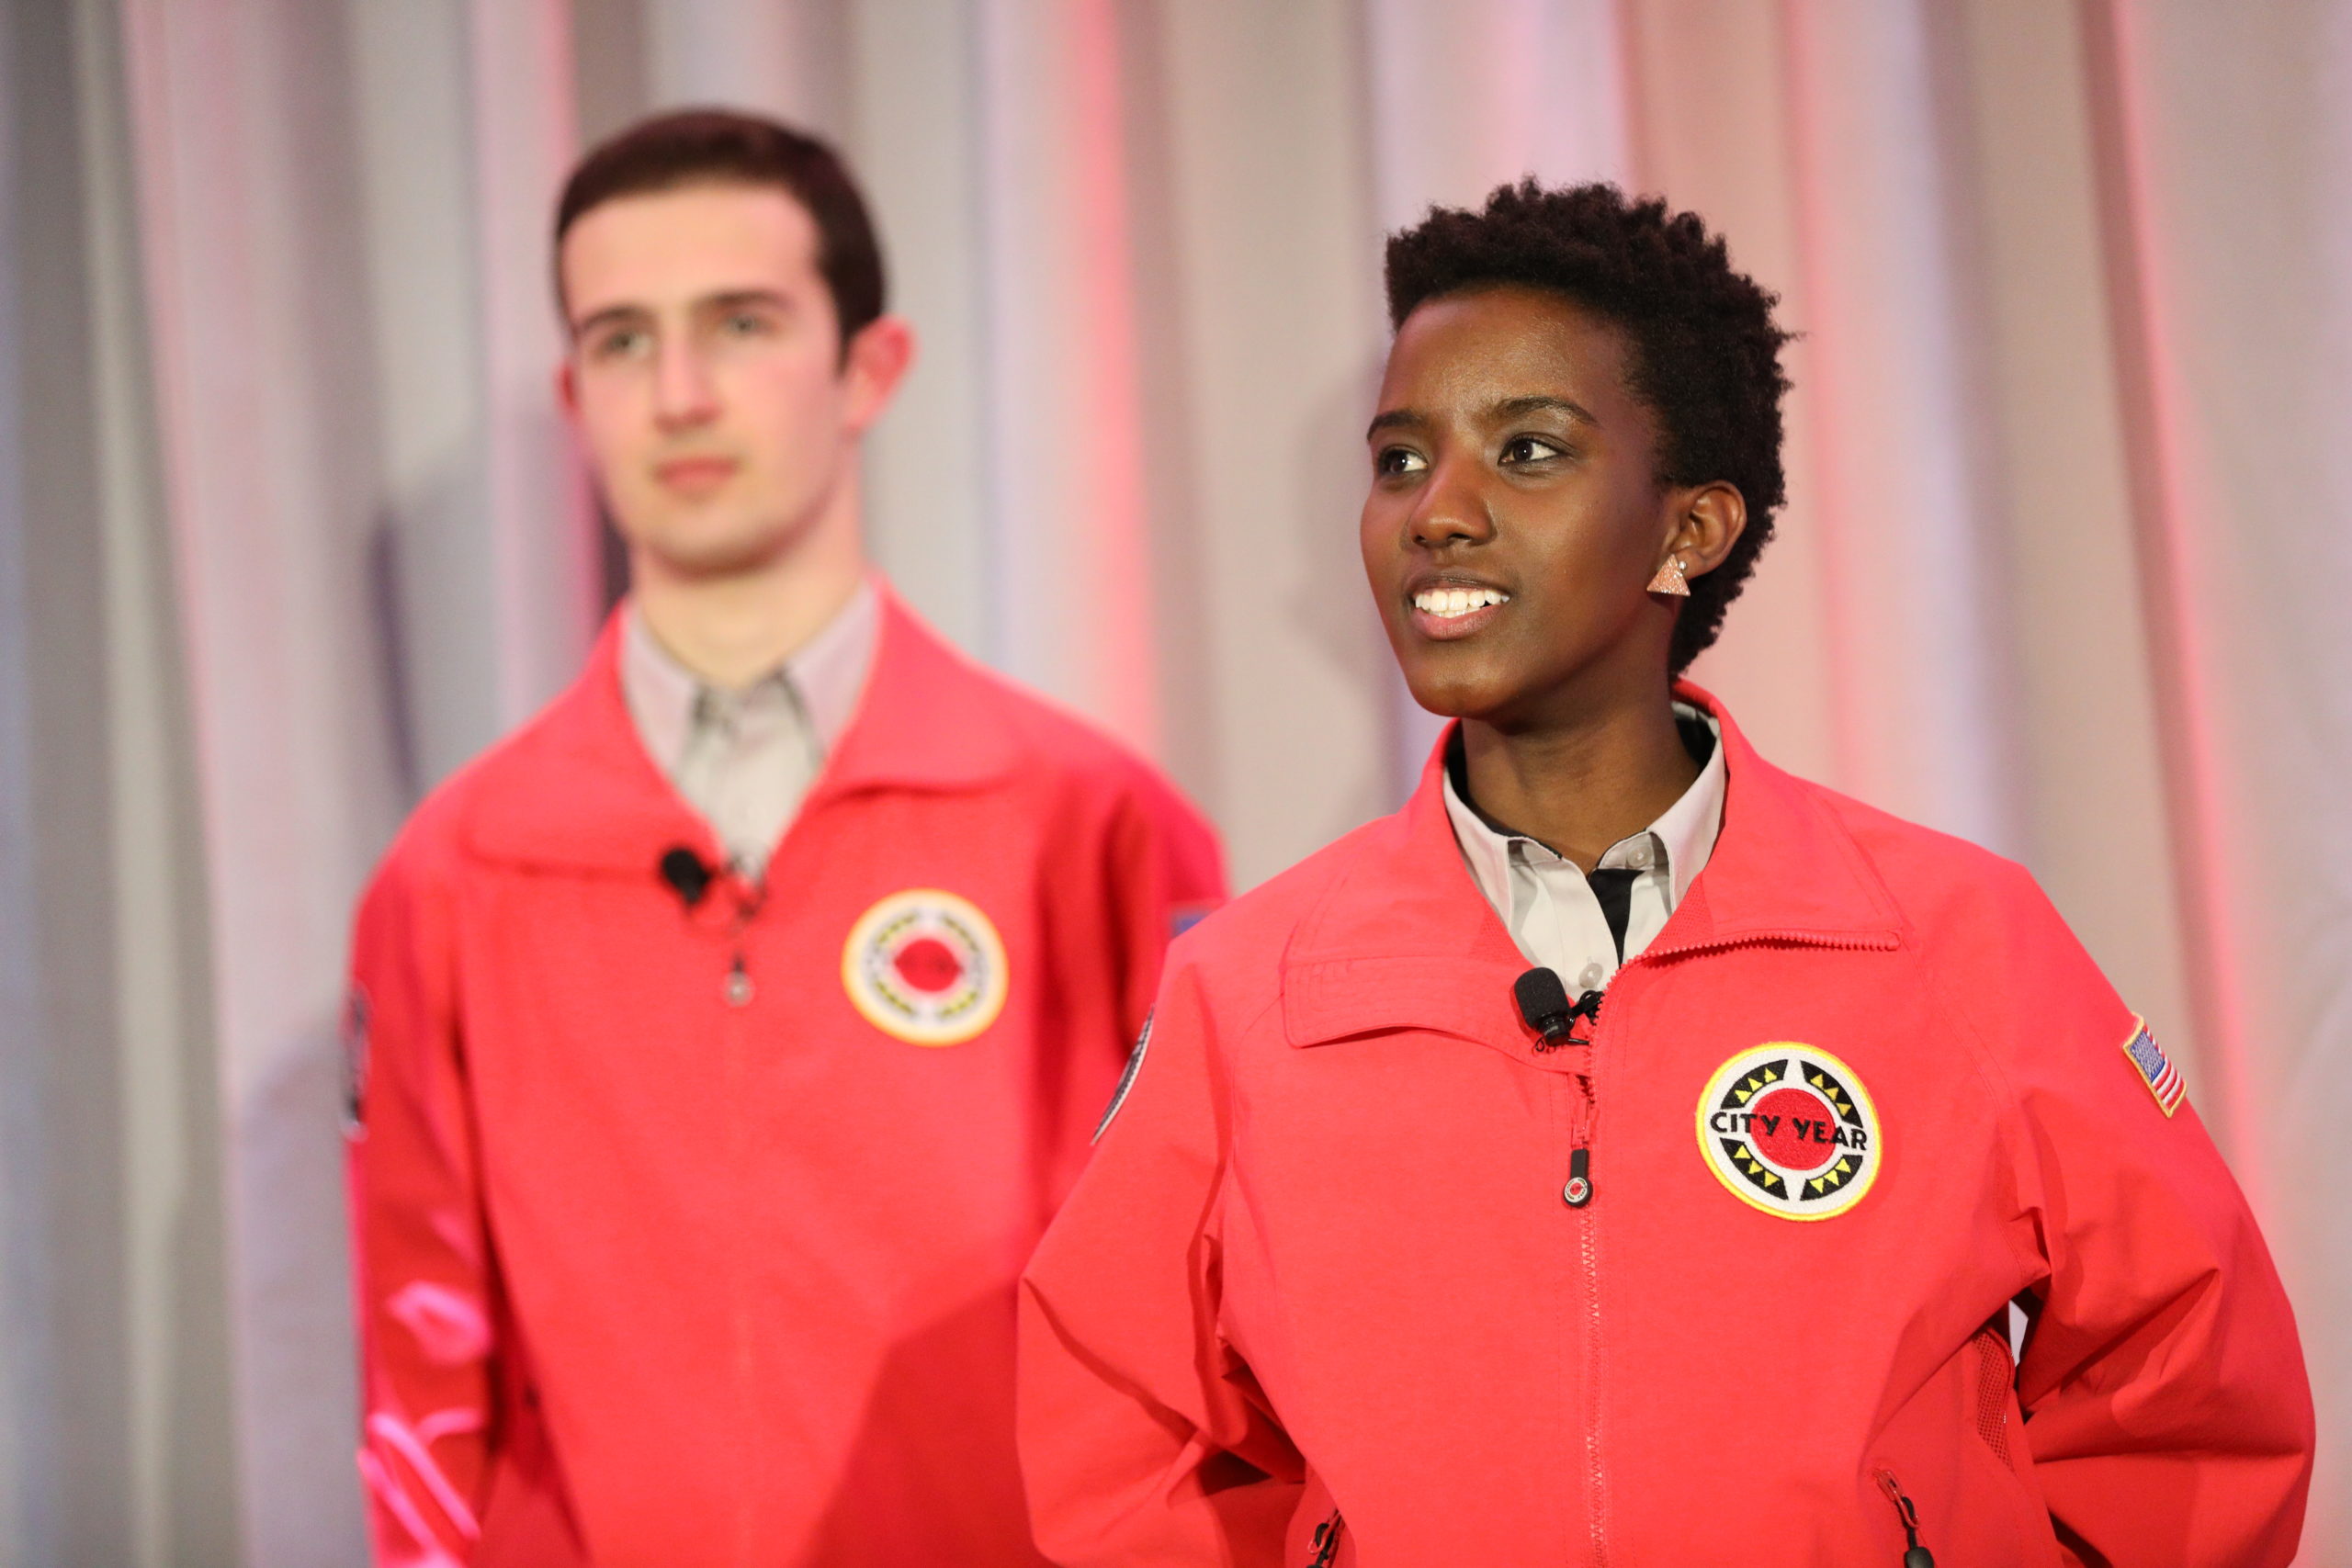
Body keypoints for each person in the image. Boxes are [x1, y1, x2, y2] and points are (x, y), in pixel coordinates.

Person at [1016, 182, 2312, 1567]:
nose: (1435, 514)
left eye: (1526, 451)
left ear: (1689, 530)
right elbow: (1122, 1433)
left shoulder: (1951, 940)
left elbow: (2188, 1400)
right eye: (1401, 460)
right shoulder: (1249, 991)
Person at [345, 109, 1224, 1566]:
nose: (678, 393)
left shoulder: (1097, 826)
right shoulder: (454, 874)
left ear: (868, 368)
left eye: (739, 324)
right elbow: (421, 1386)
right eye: (622, 341)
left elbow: (1198, 1339)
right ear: (575, 396)